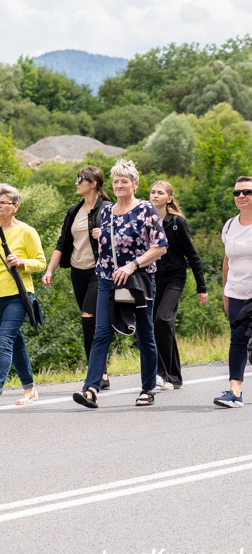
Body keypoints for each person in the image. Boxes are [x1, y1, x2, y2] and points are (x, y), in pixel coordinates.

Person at [72, 159, 167, 409]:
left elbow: (160, 246)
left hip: (138, 281)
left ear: (135, 184)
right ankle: (91, 388)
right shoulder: (107, 211)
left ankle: (147, 388)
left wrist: (132, 265)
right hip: (107, 280)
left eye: (125, 181)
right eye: (116, 181)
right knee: (101, 333)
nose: (119, 185)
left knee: (145, 334)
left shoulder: (146, 209)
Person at [0, 184, 46, 409]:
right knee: (14, 341)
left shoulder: (27, 231)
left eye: (3, 202)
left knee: (4, 340)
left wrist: (23, 262)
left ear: (15, 206)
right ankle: (30, 388)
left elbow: (41, 262)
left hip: (19, 294)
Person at [42, 167, 112, 389]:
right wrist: (49, 270)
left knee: (88, 317)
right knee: (88, 323)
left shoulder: (108, 209)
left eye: (80, 179)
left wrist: (105, 235)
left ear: (93, 183)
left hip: (99, 271)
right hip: (77, 271)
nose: (76, 183)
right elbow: (62, 243)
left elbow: (123, 239)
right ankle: (101, 371)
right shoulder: (74, 211)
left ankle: (96, 374)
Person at [149, 180, 208, 390]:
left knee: (163, 320)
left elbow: (193, 256)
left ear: (169, 198)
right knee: (161, 325)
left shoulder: (177, 223)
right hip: (152, 278)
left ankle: (162, 374)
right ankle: (174, 377)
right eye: (152, 192)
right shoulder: (145, 221)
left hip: (175, 277)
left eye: (160, 193)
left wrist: (202, 287)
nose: (155, 195)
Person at [213, 176, 252, 408]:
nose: (241, 196)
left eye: (247, 192)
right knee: (237, 339)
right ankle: (234, 392)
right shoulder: (230, 225)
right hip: (237, 292)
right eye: (237, 193)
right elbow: (227, 262)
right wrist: (225, 291)